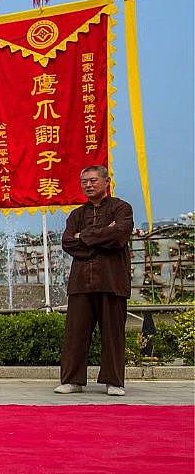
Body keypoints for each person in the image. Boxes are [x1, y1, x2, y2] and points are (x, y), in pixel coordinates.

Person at [55, 165, 134, 396]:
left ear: (107, 182)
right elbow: (68, 243)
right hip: (81, 282)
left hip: (112, 280)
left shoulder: (121, 208)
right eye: (84, 182)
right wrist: (103, 234)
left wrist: (85, 237)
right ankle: (72, 380)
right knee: (75, 334)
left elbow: (119, 237)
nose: (88, 185)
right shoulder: (77, 215)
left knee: (113, 334)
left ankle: (114, 381)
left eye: (93, 180)